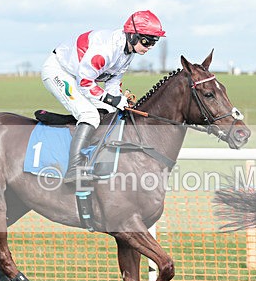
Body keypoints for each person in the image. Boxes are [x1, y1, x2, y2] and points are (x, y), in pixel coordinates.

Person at [41, 10, 165, 183]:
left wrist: (118, 101)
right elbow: (85, 83)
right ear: (133, 35)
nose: (149, 47)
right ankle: (73, 170)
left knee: (111, 111)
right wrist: (113, 99)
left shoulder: (127, 53)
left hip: (80, 77)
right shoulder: (106, 49)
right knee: (89, 114)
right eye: (147, 41)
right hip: (59, 72)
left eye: (154, 42)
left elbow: (113, 84)